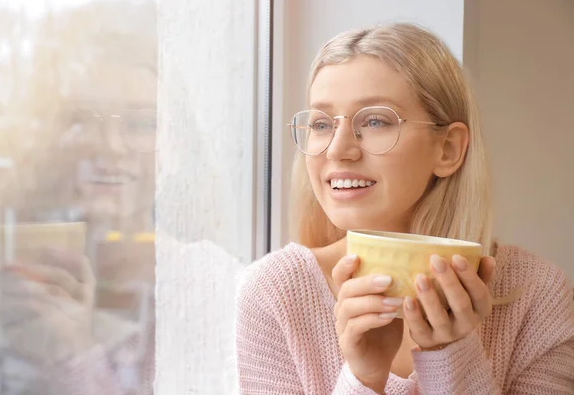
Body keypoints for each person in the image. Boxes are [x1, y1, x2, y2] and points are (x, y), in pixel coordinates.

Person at [235, 22, 574, 394]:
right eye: (321, 124)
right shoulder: (274, 293)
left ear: (448, 149)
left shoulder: (536, 295)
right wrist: (362, 378)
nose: (337, 150)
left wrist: (452, 357)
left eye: (376, 120)